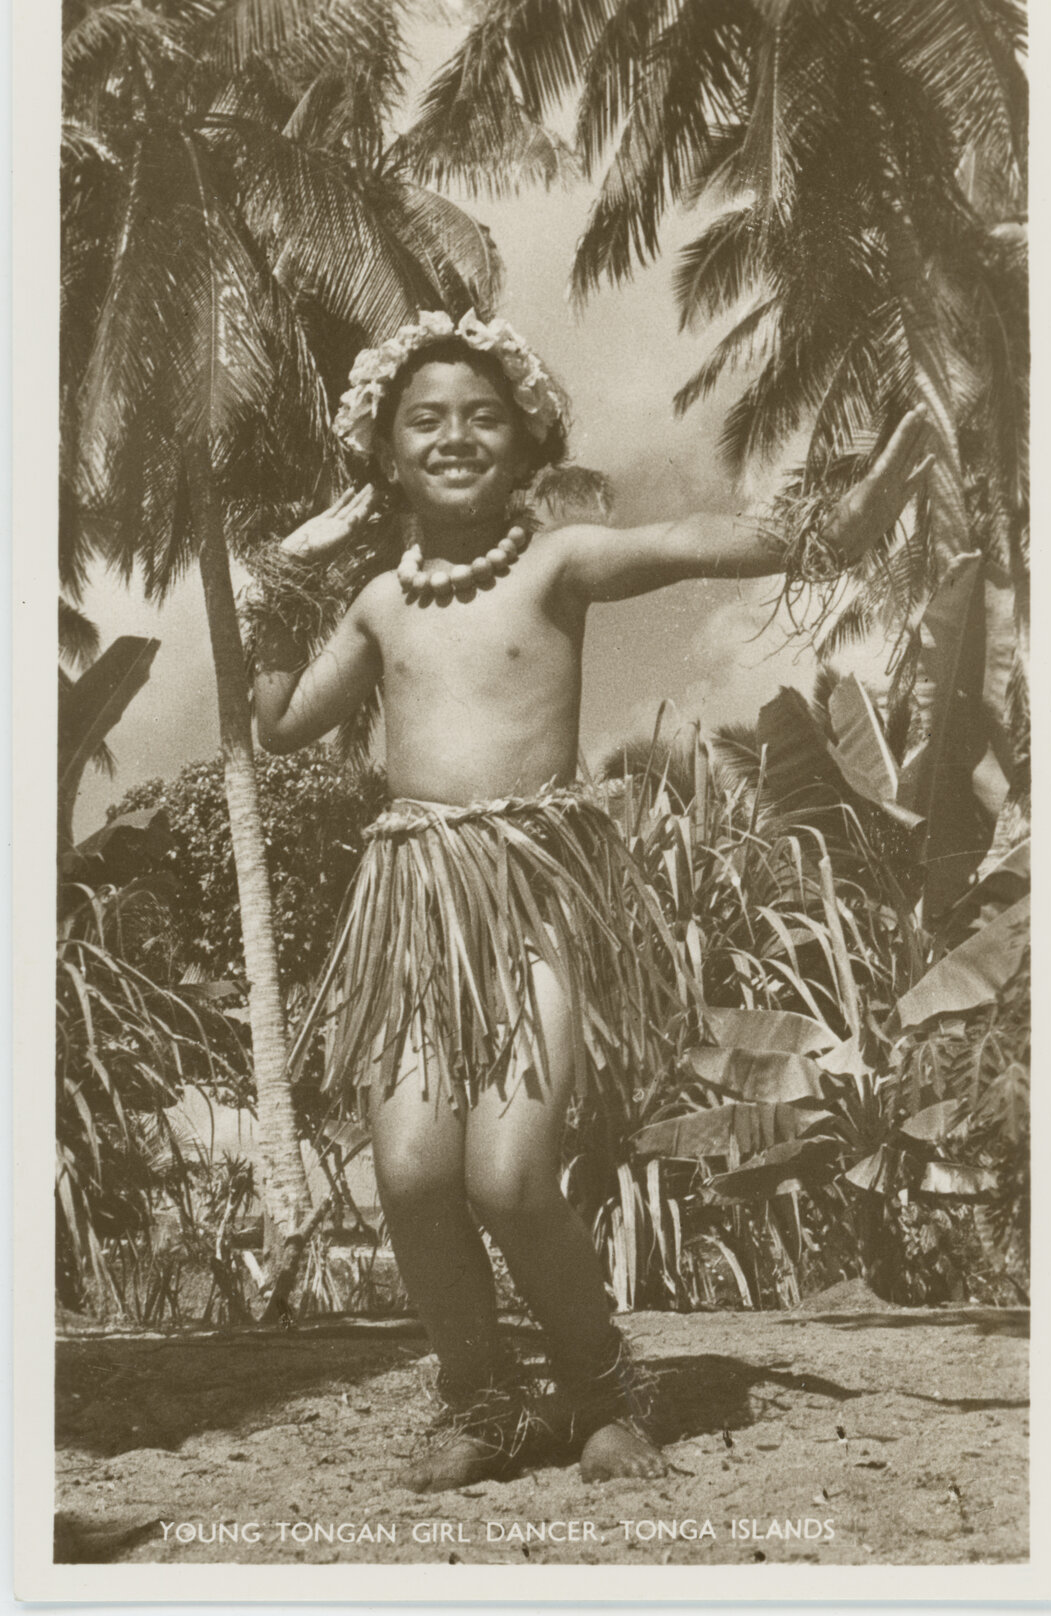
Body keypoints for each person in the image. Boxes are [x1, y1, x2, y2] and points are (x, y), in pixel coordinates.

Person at [250, 310, 931, 1491]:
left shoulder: (555, 560)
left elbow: (687, 541)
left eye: (482, 417)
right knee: (411, 1175)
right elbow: (280, 720)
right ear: (386, 455)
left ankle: (603, 1385)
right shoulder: (376, 603)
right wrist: (285, 578)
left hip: (531, 889)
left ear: (522, 445)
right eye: (427, 420)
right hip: (415, 896)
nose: (456, 436)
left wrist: (836, 523)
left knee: (509, 1173)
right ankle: (484, 1403)